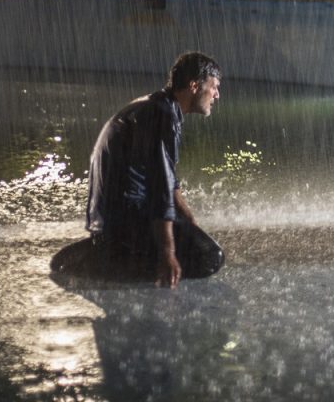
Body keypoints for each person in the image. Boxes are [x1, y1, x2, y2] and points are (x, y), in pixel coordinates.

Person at [53, 52, 225, 287]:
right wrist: (168, 253)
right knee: (210, 257)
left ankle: (107, 250)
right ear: (194, 86)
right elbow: (161, 189)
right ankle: (116, 259)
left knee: (196, 239)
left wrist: (190, 223)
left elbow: (170, 181)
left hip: (110, 221)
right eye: (214, 87)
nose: (217, 95)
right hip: (126, 222)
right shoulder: (162, 116)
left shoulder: (156, 106)